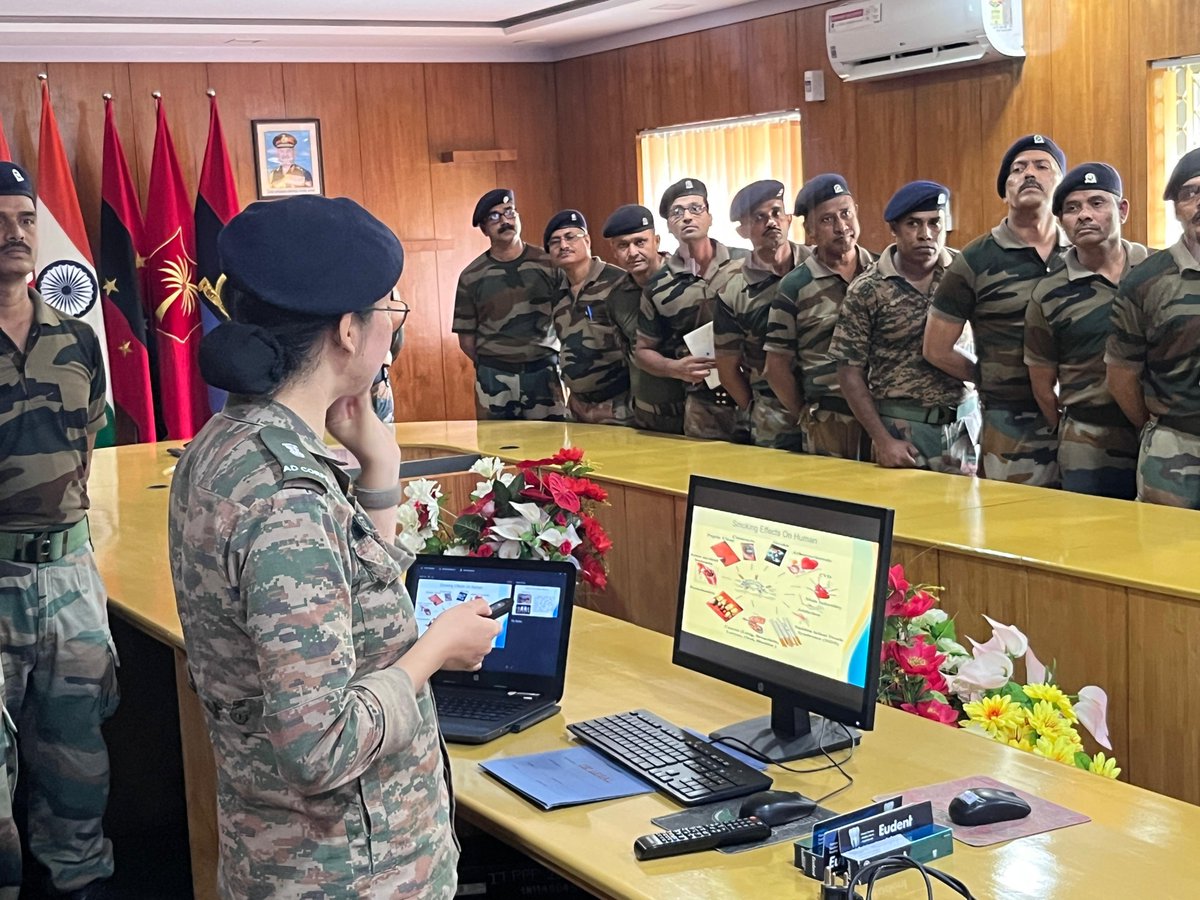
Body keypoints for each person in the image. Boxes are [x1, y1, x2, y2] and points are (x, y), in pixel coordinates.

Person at [168, 195, 502, 898]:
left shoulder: (228, 445)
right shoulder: (288, 495)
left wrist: (379, 474)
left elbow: (339, 608)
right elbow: (320, 746)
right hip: (349, 869)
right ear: (350, 330)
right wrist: (437, 648)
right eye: (390, 309)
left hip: (282, 856)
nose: (392, 327)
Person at [0, 161, 118, 899]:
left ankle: (81, 882)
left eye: (23, 221)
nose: (13, 236)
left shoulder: (78, 341)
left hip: (69, 580)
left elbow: (88, 446)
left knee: (80, 761)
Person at [926, 133, 1070, 487]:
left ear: (1062, 185)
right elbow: (936, 348)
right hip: (1011, 422)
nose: (1029, 174)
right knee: (1016, 530)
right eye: (1018, 169)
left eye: (1042, 166)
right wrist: (988, 376)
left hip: (1085, 420)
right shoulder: (976, 259)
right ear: (1005, 192)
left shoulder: (1084, 250)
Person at [831, 181, 973, 473]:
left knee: (967, 517)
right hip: (903, 429)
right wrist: (881, 440)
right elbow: (849, 373)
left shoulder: (965, 273)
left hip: (964, 426)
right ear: (894, 229)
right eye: (913, 224)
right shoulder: (868, 289)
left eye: (935, 223)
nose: (926, 234)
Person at [1026, 163, 1149, 499]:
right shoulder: (1049, 292)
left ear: (1121, 210)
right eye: (1072, 208)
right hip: (1089, 438)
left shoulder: (1158, 271)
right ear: (1062, 221)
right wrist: (1070, 430)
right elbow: (1041, 382)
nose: (1084, 215)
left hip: (1162, 433)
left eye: (1097, 203)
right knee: (1095, 540)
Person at [1106, 147, 1200, 507]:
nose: (1199, 201)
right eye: (1189, 193)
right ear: (1177, 207)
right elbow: (1120, 376)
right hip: (1174, 447)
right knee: (1165, 556)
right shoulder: (1147, 280)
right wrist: (1157, 429)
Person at [765, 174, 875, 458]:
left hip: (886, 416)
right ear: (810, 230)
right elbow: (777, 367)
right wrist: (805, 415)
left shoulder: (883, 271)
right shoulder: (795, 286)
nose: (841, 227)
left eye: (846, 214)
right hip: (830, 420)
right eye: (827, 220)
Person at [637, 178, 750, 442]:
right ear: (669, 226)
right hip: (704, 406)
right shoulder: (658, 284)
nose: (687, 217)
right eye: (677, 212)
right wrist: (674, 367)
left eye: (695, 209)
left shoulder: (747, 263)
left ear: (709, 216)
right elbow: (642, 350)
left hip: (758, 397)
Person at [452, 188, 567, 420]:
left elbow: (568, 321)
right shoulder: (472, 275)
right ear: (484, 228)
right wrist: (498, 362)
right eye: (494, 217)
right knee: (497, 448)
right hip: (495, 377)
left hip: (543, 372)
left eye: (509, 212)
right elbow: (466, 339)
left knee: (549, 447)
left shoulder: (549, 265)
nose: (504, 221)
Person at [713, 180, 809, 450]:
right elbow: (727, 370)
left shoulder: (819, 267)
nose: (771, 222)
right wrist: (755, 409)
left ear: (789, 219)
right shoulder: (732, 293)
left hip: (829, 408)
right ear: (743, 230)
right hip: (774, 419)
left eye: (777, 212)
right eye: (759, 217)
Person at [544, 210, 634, 425]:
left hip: (618, 406)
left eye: (570, 237)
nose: (563, 245)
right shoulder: (558, 295)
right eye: (555, 241)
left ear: (587, 240)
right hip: (577, 408)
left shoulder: (619, 283)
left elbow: (640, 345)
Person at [601, 204, 682, 433]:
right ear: (613, 251)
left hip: (694, 413)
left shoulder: (688, 280)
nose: (633, 252)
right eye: (623, 245)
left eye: (640, 242)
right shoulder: (617, 298)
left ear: (656, 240)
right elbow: (629, 357)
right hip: (645, 417)